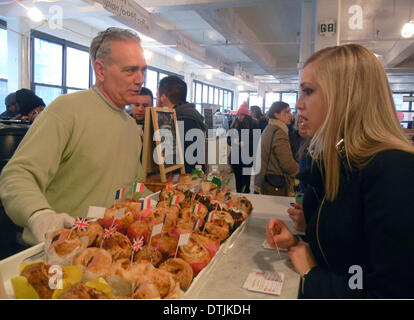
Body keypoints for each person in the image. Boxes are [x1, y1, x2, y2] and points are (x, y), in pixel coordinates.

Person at [266, 44, 414, 298]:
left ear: (347, 96)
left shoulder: (394, 171)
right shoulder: (339, 159)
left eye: (308, 92)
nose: (299, 105)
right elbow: (348, 256)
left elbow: (393, 292)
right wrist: (300, 244)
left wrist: (313, 277)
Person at [0, 27, 151, 246]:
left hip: (103, 251)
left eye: (142, 70)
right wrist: (40, 214)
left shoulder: (130, 127)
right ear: (100, 70)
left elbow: (134, 185)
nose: (140, 79)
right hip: (55, 252)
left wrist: (156, 201)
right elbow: (17, 174)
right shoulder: (66, 110)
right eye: (130, 70)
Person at [157, 75, 206, 173]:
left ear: (163, 97)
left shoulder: (178, 120)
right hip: (195, 177)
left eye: (157, 95)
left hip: (183, 181)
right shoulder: (192, 115)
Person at [254, 101, 298, 196]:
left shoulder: (269, 128)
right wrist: (301, 172)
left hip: (264, 179)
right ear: (276, 115)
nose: (290, 115)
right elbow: (287, 164)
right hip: (275, 183)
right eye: (286, 112)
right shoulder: (279, 132)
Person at [227, 102, 256, 193]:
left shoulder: (253, 126)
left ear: (246, 116)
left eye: (242, 115)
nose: (240, 117)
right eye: (238, 114)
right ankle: (239, 196)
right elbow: (228, 139)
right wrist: (234, 142)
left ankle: (246, 197)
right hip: (235, 158)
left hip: (247, 159)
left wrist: (245, 143)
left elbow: (256, 142)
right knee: (238, 181)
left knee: (246, 181)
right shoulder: (234, 125)